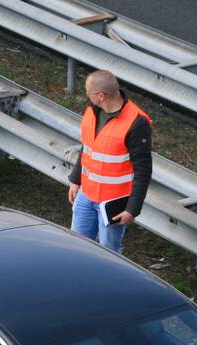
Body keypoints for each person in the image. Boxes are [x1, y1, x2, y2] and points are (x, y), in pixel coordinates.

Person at [68, 70, 152, 255]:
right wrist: (76, 180)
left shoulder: (136, 123)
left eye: (88, 93)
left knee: (109, 253)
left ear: (101, 96)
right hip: (86, 194)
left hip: (112, 204)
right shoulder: (92, 110)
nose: (86, 97)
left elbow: (143, 170)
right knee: (77, 246)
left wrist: (132, 209)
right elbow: (88, 148)